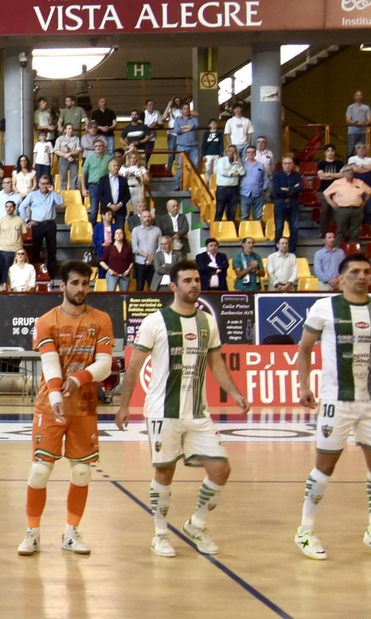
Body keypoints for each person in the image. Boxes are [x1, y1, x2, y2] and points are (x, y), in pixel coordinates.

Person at [114, 259, 249, 558]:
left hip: (198, 414)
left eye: (197, 280)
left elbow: (216, 364)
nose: (194, 285)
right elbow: (134, 366)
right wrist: (124, 405)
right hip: (163, 412)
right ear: (173, 286)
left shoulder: (208, 322)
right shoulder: (155, 322)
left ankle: (197, 524)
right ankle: (160, 534)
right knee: (165, 473)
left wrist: (236, 394)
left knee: (221, 469)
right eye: (187, 281)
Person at [295, 253, 371, 561]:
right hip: (335, 401)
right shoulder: (324, 307)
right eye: (354, 272)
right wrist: (303, 386)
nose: (362, 276)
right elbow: (304, 350)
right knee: (325, 466)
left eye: (366, 271)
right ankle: (305, 530)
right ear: (341, 278)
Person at [18, 261, 114, 556]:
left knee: (82, 472)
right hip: (50, 405)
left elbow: (105, 365)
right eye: (75, 283)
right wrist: (58, 397)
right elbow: (49, 362)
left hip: (84, 407)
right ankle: (32, 533)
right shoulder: (47, 320)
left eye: (86, 283)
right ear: (63, 286)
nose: (82, 289)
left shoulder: (101, 319)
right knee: (39, 472)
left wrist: (79, 378)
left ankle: (70, 533)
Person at [21, 176, 64, 275]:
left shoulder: (52, 194)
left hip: (50, 224)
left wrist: (53, 191)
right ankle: (36, 270)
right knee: (36, 248)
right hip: (37, 224)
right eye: (43, 183)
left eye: (46, 183)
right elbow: (22, 207)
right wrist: (27, 220)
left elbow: (61, 202)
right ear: (39, 184)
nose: (45, 186)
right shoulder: (33, 195)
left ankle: (52, 272)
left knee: (52, 249)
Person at [324, 165, 371, 242]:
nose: (350, 172)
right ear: (343, 173)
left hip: (356, 210)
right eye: (347, 170)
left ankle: (353, 251)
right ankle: (340, 250)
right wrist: (332, 204)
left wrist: (364, 201)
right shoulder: (337, 183)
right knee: (340, 231)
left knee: (355, 232)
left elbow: (369, 191)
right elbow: (326, 193)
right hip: (342, 210)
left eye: (351, 170)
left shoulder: (359, 182)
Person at [270, 156, 303, 247]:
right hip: (280, 203)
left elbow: (300, 188)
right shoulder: (277, 175)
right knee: (279, 227)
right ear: (282, 165)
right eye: (285, 163)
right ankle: (278, 250)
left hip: (293, 203)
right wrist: (292, 189)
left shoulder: (297, 175)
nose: (287, 165)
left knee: (294, 228)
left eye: (289, 163)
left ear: (293, 165)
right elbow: (276, 190)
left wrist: (285, 189)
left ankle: (292, 250)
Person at [214, 146, 246, 222]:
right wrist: (232, 174)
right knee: (219, 210)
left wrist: (237, 162)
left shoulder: (238, 161)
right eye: (230, 151)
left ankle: (230, 229)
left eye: (234, 152)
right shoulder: (221, 160)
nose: (232, 153)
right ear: (227, 152)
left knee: (232, 211)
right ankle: (216, 229)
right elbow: (222, 172)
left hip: (234, 189)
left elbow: (242, 172)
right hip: (222, 189)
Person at [131, 209, 161, 290]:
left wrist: (153, 257)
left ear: (151, 218)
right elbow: (135, 248)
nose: (147, 219)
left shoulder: (157, 230)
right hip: (140, 263)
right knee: (139, 287)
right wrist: (147, 256)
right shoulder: (136, 230)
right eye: (144, 217)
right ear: (141, 218)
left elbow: (160, 246)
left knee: (153, 287)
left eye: (148, 216)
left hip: (153, 263)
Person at [239, 149, 268, 224]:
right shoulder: (241, 165)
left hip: (258, 194)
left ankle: (257, 234)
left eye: (252, 152)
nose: (250, 154)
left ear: (255, 154)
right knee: (244, 216)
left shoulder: (261, 165)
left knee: (258, 217)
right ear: (246, 154)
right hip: (244, 193)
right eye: (248, 152)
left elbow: (265, 178)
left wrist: (264, 189)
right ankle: (244, 234)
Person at [102, 226, 134, 291]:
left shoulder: (127, 248)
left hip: (125, 275)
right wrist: (109, 270)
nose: (118, 235)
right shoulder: (109, 248)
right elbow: (101, 261)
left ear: (123, 236)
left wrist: (129, 270)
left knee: (124, 296)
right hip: (112, 275)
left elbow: (131, 261)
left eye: (120, 233)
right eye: (116, 233)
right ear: (114, 236)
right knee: (111, 295)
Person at [346, 91, 371, 155]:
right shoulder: (350, 107)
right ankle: (349, 164)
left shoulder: (366, 107)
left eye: (360, 95)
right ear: (354, 97)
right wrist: (356, 123)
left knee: (364, 150)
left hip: (363, 132)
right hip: (352, 132)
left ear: (362, 97)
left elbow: (369, 120)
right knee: (350, 150)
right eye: (357, 95)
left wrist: (365, 123)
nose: (359, 96)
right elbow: (348, 120)